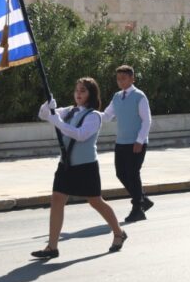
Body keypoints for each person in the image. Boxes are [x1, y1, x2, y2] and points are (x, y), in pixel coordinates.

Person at [32, 77, 127, 259]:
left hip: (86, 166)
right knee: (57, 199)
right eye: (77, 90)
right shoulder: (69, 111)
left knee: (95, 201)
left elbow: (80, 135)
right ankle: (52, 247)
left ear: (91, 94)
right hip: (66, 165)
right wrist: (47, 104)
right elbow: (44, 115)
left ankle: (118, 232)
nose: (78, 94)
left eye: (83, 91)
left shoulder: (93, 116)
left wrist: (57, 122)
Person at [102, 65, 154, 223]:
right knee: (121, 173)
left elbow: (147, 120)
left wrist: (139, 140)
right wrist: (88, 114)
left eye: (123, 78)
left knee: (132, 173)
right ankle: (142, 199)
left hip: (136, 143)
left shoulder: (139, 96)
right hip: (121, 142)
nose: (120, 82)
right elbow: (106, 115)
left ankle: (138, 208)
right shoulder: (117, 97)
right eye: (118, 79)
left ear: (132, 79)